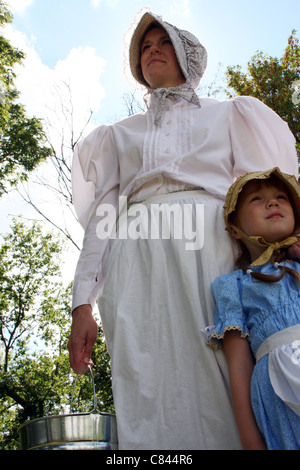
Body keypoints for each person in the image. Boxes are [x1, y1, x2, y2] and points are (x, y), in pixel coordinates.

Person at [68, 9, 299, 450]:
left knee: (220, 373)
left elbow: (262, 193)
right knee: (145, 379)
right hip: (135, 264)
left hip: (210, 249)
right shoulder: (118, 135)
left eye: (164, 43)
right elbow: (102, 222)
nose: (152, 50)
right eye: (145, 47)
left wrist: (287, 247)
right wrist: (83, 304)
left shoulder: (230, 115)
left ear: (187, 56)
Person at [207, 167, 300, 450]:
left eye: (281, 196)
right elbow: (239, 366)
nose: (272, 202)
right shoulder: (233, 286)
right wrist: (251, 441)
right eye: (256, 199)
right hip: (278, 393)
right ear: (234, 229)